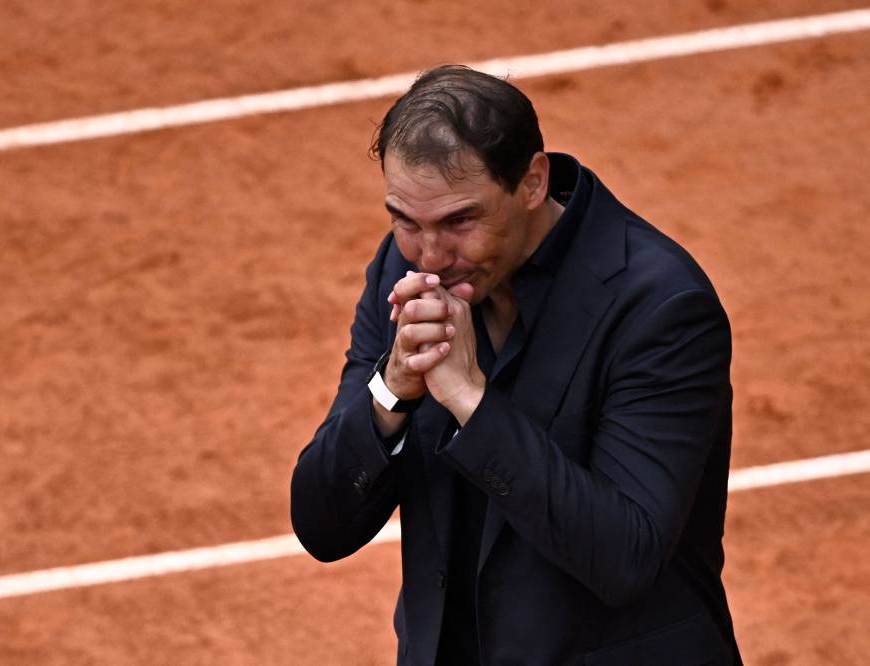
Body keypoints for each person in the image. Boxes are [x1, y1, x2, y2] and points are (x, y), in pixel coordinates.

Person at [290, 64, 742, 665]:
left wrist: (472, 404)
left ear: (532, 182)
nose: (431, 255)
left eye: (460, 221)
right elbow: (323, 525)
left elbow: (624, 556)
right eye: (404, 219)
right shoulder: (405, 277)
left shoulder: (659, 307)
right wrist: (393, 390)